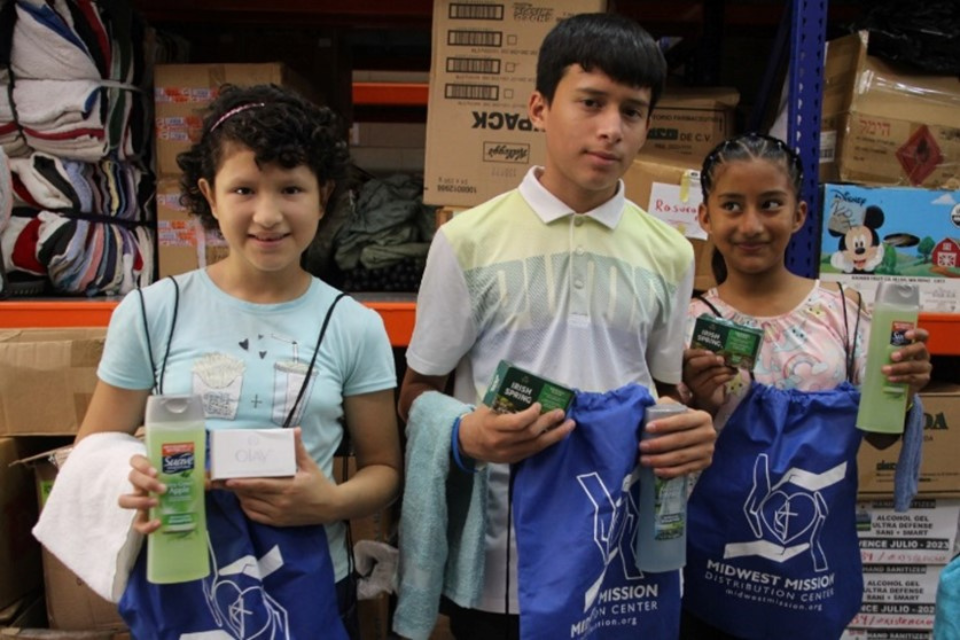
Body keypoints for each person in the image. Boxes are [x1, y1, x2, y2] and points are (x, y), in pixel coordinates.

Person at [393, 13, 717, 640]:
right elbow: (415, 396)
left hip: (615, 547)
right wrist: (467, 434)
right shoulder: (467, 241)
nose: (610, 129)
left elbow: (664, 393)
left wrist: (692, 430)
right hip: (502, 556)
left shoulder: (671, 253)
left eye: (632, 111)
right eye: (590, 102)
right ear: (539, 108)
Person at [73, 84, 402, 639]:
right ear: (209, 193)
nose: (268, 215)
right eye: (244, 189)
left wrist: (330, 502)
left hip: (310, 580)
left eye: (291, 189)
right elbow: (92, 450)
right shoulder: (153, 311)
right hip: (182, 577)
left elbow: (385, 470)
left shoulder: (354, 325)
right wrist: (128, 483)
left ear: (323, 196)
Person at [680, 132, 933, 640]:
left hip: (810, 576)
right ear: (705, 217)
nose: (751, 224)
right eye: (732, 206)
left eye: (770, 204)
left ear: (798, 214)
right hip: (710, 578)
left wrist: (903, 390)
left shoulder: (844, 312)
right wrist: (701, 408)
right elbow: (665, 459)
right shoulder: (686, 325)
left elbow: (881, 437)